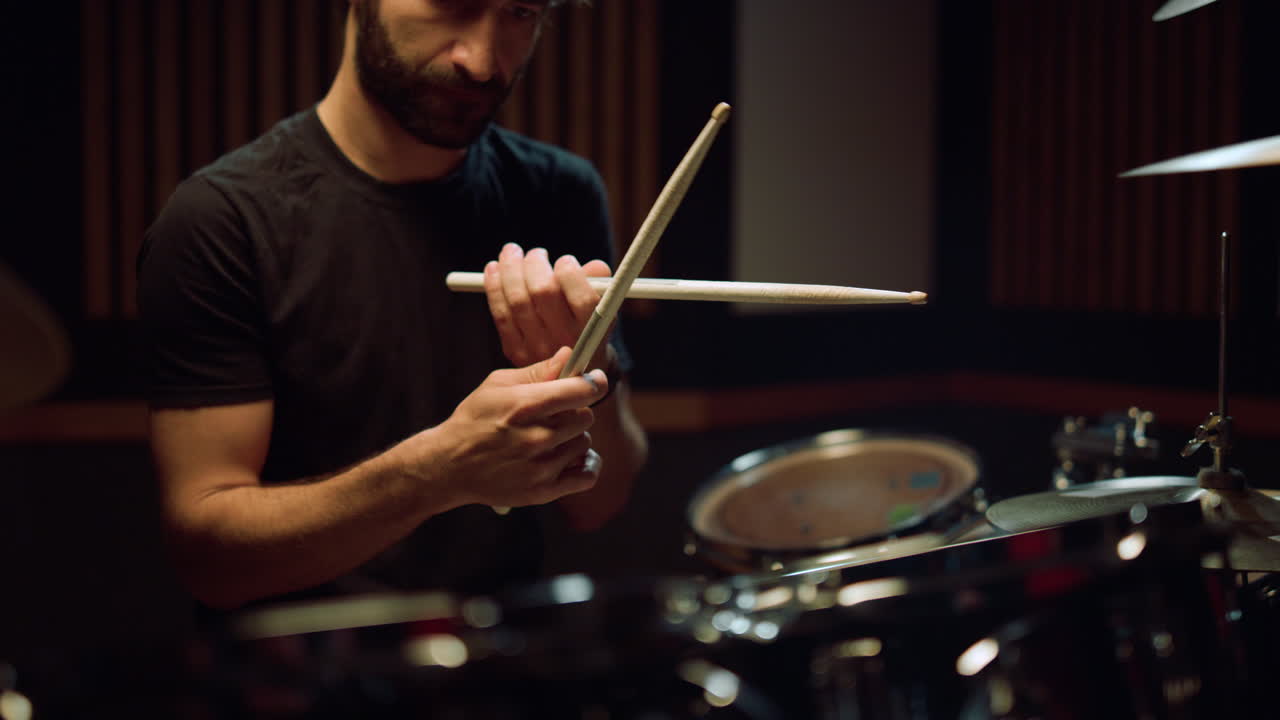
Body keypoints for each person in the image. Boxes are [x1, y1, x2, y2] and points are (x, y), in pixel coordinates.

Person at [137, 0, 648, 611]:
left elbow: (600, 503)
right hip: (301, 671)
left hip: (500, 656)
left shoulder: (559, 193)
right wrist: (437, 473)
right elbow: (210, 561)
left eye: (520, 12)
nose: (483, 62)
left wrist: (592, 376)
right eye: (453, 6)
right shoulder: (221, 221)